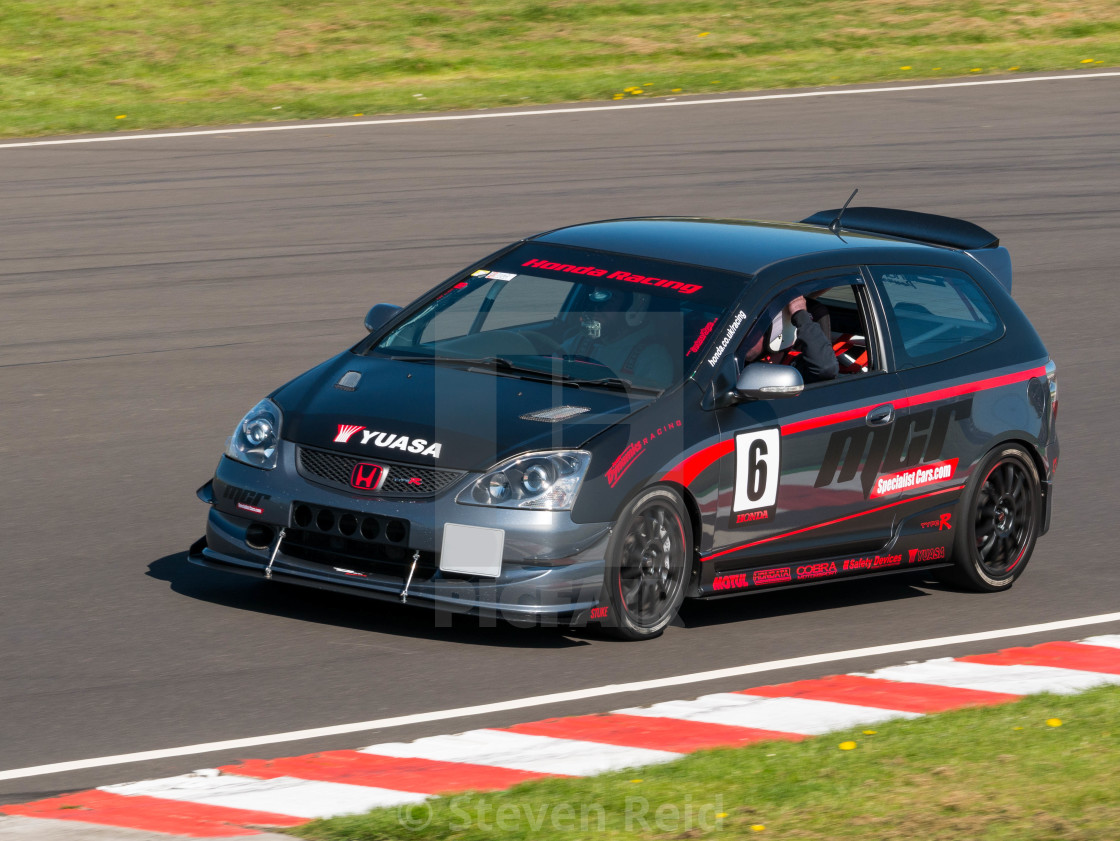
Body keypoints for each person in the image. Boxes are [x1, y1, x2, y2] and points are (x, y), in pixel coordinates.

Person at [561, 288, 674, 388]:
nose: (597, 309)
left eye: (610, 302)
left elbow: (654, 405)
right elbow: (552, 363)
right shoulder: (580, 342)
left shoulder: (653, 357)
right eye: (596, 301)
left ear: (633, 309)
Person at [744, 293, 838, 384]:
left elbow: (826, 368)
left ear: (777, 334)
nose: (744, 338)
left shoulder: (796, 368)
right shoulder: (733, 356)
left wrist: (800, 316)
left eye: (753, 332)